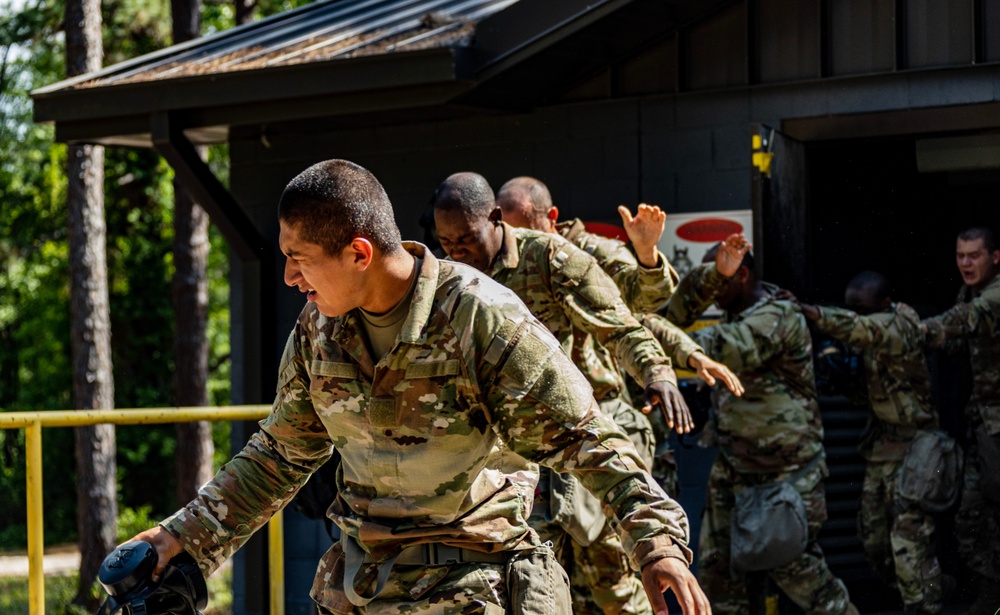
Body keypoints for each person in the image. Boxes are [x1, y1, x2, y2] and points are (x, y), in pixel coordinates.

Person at [126, 160, 711, 615]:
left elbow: (589, 441)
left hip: (474, 586)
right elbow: (280, 456)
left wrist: (657, 548)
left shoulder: (481, 319)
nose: (288, 276)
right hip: (364, 589)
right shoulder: (320, 329)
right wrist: (182, 537)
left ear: (358, 252)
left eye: (298, 258)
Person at [432, 172, 735, 615]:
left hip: (580, 438)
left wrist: (660, 370)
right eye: (447, 242)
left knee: (613, 585)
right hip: (514, 457)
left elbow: (624, 318)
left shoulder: (551, 257)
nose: (457, 252)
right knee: (537, 587)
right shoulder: (452, 277)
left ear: (495, 219)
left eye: (466, 239)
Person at [657, 234, 856, 615]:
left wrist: (642, 330)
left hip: (784, 475)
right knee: (721, 578)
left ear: (742, 275)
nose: (714, 287)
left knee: (804, 580)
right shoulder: (740, 311)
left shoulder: (776, 315)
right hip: (735, 471)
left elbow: (717, 347)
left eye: (720, 277)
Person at [786, 272, 949, 615]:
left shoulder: (900, 327)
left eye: (862, 309)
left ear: (884, 304)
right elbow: (865, 394)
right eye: (851, 309)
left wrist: (813, 313)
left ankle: (926, 604)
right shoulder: (869, 342)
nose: (857, 316)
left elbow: (862, 329)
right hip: (883, 449)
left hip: (917, 450)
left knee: (909, 541)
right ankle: (929, 587)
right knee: (874, 541)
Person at [922, 226, 1000, 614]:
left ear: (995, 257)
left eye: (975, 256)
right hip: (982, 426)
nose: (966, 264)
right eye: (960, 256)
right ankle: (990, 592)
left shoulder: (993, 296)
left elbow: (958, 322)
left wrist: (907, 329)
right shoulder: (968, 292)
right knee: (971, 511)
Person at [495, 176, 678, 314]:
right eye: (510, 233)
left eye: (528, 231)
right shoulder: (502, 263)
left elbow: (645, 300)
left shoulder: (594, 252)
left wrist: (646, 252)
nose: (520, 240)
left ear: (552, 216)